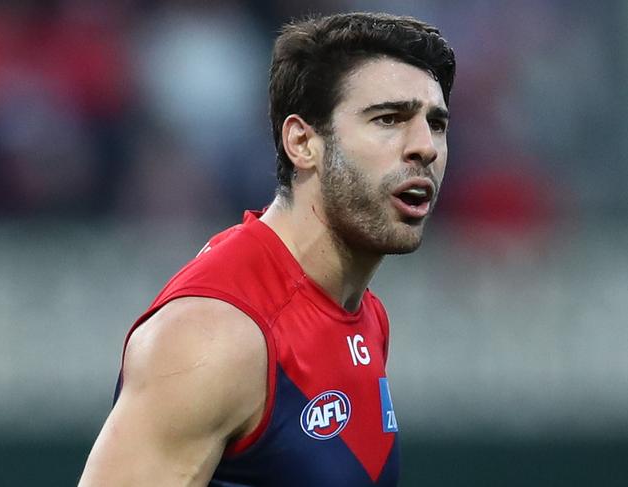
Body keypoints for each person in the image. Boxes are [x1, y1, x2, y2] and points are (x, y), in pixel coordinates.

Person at [79, 11, 455, 487]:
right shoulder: (216, 335)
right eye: (388, 119)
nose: (424, 147)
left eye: (436, 124)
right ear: (302, 142)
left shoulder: (366, 315)